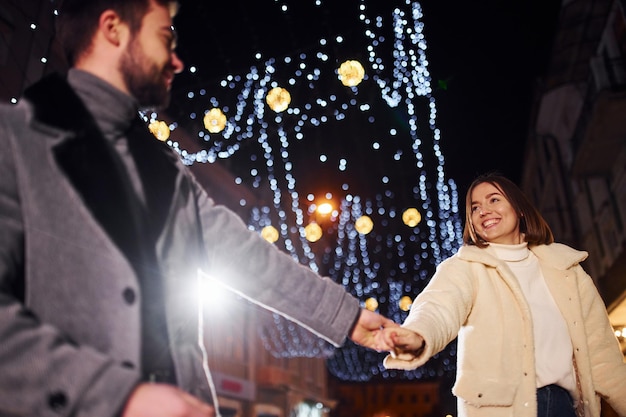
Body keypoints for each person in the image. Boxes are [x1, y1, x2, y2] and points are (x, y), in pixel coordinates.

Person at [0, 1, 397, 416]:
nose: (177, 62)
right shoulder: (14, 142)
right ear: (113, 29)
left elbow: (247, 258)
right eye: (164, 39)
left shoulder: (168, 172)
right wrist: (116, 396)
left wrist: (349, 318)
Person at [381, 173, 626, 417]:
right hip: (499, 410)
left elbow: (603, 355)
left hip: (564, 407)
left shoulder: (566, 268)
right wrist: (417, 334)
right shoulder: (465, 266)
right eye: (475, 207)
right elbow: (438, 306)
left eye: (494, 200)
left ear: (519, 208)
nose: (483, 211)